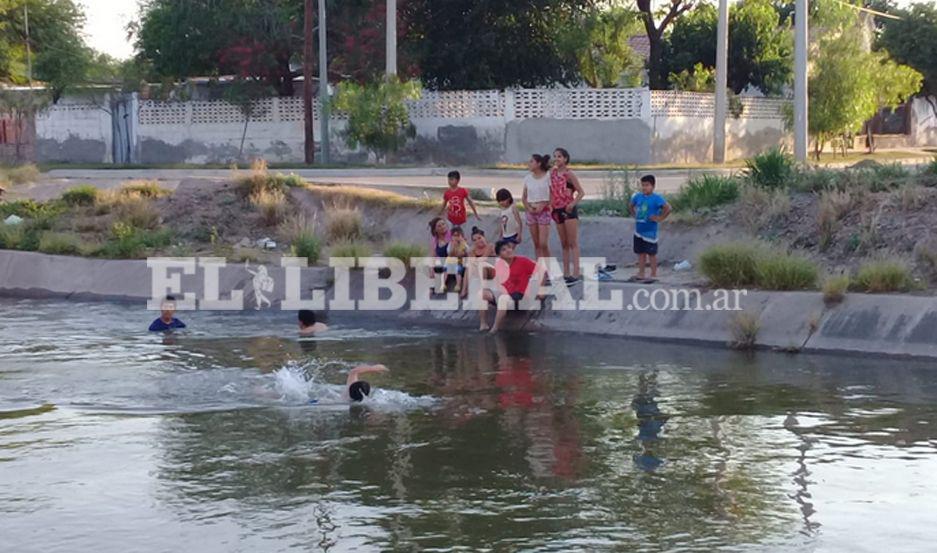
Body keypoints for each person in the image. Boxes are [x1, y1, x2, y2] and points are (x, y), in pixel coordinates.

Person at [479, 239, 540, 334]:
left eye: (509, 248)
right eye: (504, 250)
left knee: (503, 298)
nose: (508, 250)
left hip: (520, 297)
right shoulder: (499, 265)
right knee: (482, 293)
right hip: (506, 295)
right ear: (499, 255)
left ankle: (494, 329)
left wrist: (540, 290)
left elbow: (542, 271)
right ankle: (483, 324)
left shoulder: (522, 261)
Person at [550, 148, 585, 285]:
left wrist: (572, 203)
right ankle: (565, 272)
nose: (557, 159)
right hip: (557, 209)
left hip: (568, 210)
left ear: (565, 158)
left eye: (559, 156)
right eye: (555, 156)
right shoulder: (552, 173)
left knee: (572, 242)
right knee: (563, 243)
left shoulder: (569, 174)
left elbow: (581, 192)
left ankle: (576, 272)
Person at [630, 174, 671, 282]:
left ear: (652, 186)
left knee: (651, 254)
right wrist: (634, 215)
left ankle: (653, 273)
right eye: (643, 185)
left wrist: (660, 218)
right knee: (641, 253)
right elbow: (631, 205)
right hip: (639, 230)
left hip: (650, 232)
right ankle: (641, 272)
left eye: (647, 185)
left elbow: (668, 208)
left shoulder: (656, 198)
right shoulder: (638, 197)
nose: (644, 188)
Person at [521, 154, 553, 261]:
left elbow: (553, 195)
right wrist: (528, 207)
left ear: (539, 163)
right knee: (537, 243)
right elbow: (524, 197)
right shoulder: (527, 178)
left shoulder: (548, 176)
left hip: (544, 210)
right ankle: (540, 269)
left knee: (543, 243)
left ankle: (549, 268)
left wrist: (545, 204)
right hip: (531, 210)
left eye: (531, 162)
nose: (529, 164)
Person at [428, 217, 450, 294]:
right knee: (432, 268)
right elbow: (433, 255)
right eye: (439, 226)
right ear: (435, 230)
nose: (442, 227)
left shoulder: (451, 235)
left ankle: (441, 285)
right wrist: (431, 268)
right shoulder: (435, 240)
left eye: (443, 224)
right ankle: (431, 287)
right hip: (441, 261)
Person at [446, 226, 469, 293]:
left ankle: (458, 284)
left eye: (458, 235)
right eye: (454, 235)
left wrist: (463, 252)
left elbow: (467, 253)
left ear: (462, 236)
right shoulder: (450, 244)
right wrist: (453, 246)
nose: (456, 237)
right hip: (451, 262)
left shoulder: (464, 244)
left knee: (457, 269)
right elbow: (449, 254)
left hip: (461, 263)